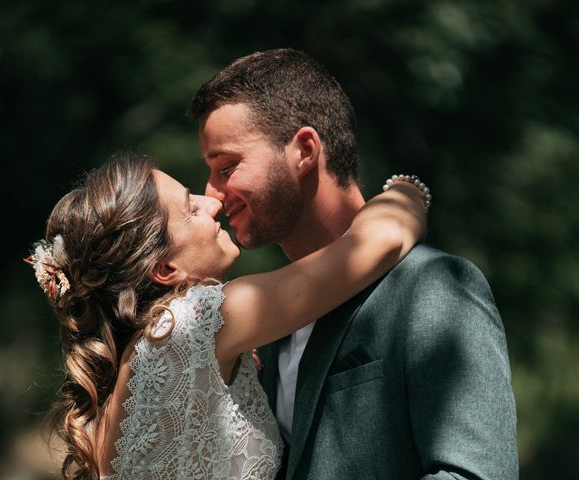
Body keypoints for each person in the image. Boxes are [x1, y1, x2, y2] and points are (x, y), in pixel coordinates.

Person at [189, 48, 518, 479]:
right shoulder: (263, 324)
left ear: (304, 150)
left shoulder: (432, 287)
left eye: (228, 166)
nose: (212, 193)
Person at [26, 152, 428, 479]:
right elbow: (380, 242)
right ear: (165, 269)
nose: (212, 202)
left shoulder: (144, 359)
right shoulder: (191, 322)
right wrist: (409, 188)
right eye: (189, 209)